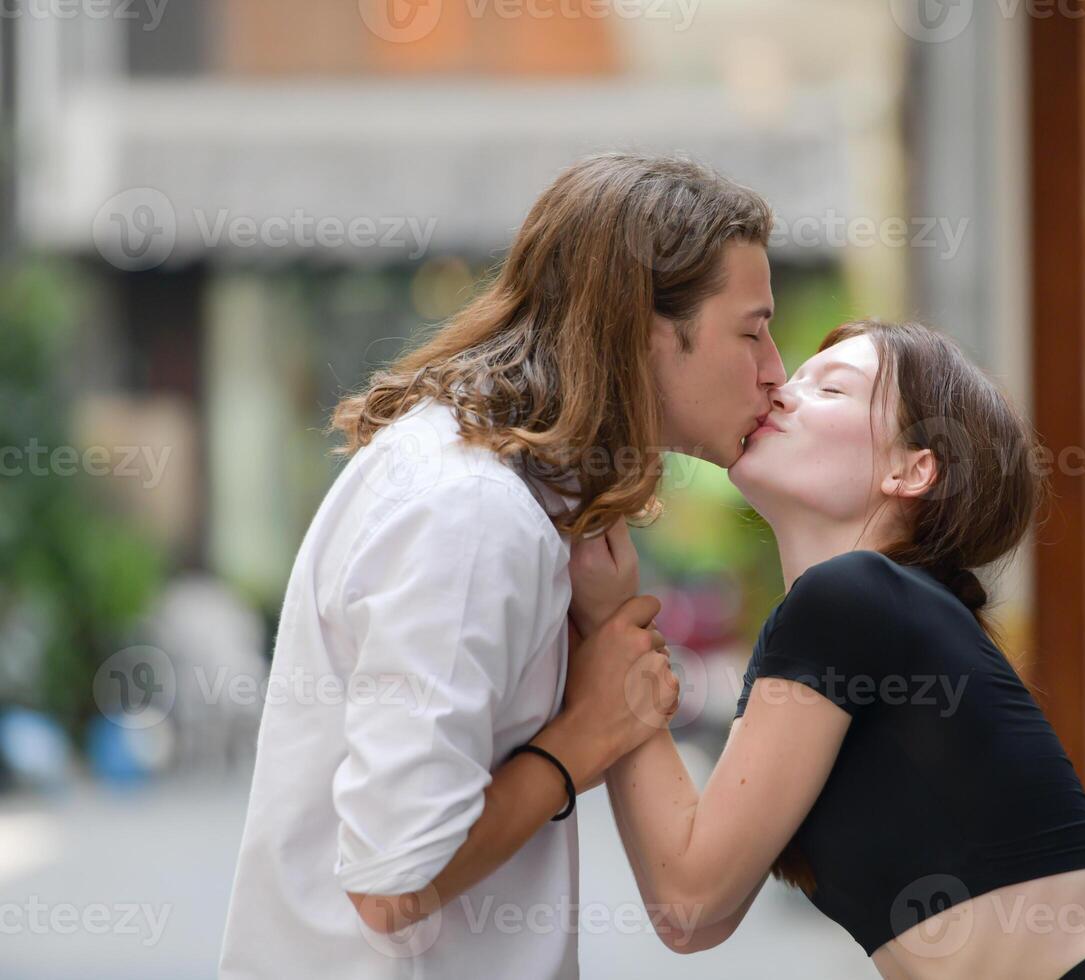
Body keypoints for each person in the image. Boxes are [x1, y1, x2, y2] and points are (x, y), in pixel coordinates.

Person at [218, 151, 788, 978]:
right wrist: (583, 737)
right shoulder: (475, 512)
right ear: (644, 332)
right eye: (751, 331)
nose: (775, 371)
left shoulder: (500, 492)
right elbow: (394, 882)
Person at [569, 319, 1085, 980]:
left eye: (830, 390)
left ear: (914, 469)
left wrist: (612, 629)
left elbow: (691, 899)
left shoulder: (855, 595)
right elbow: (693, 915)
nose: (777, 391)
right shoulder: (830, 621)